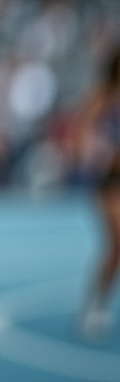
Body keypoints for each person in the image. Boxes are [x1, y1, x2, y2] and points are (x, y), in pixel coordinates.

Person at [71, 45, 120, 339]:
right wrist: (96, 154)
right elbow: (81, 137)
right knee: (116, 243)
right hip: (110, 180)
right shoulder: (102, 98)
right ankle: (96, 303)